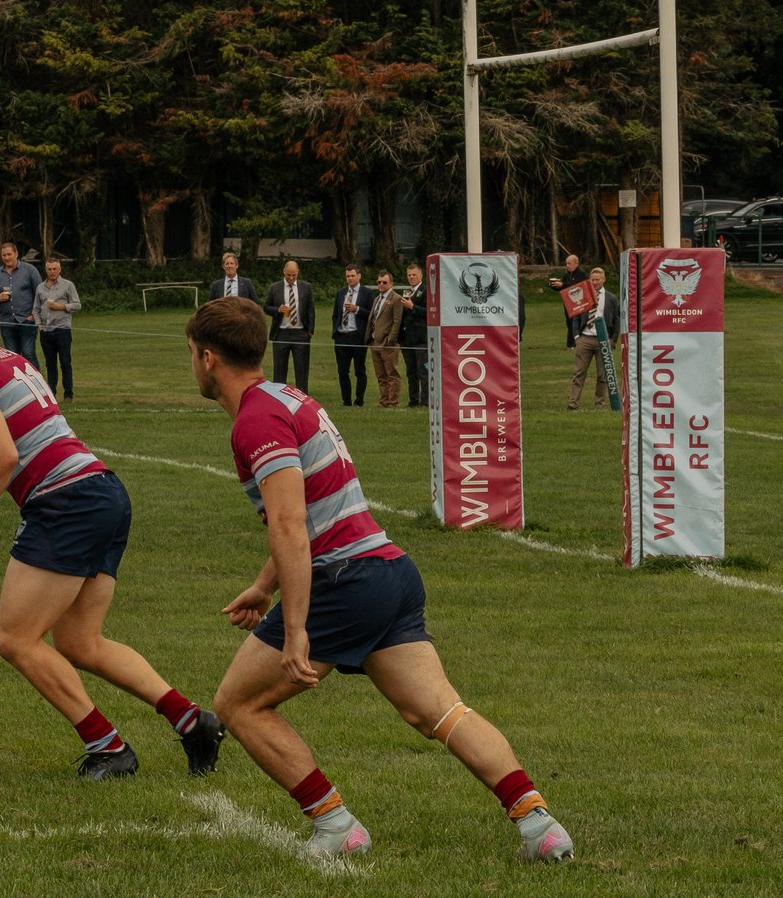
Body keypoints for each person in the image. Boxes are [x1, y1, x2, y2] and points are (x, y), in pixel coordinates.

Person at [186, 297, 574, 863]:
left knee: (238, 704)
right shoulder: (287, 399)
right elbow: (316, 509)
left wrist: (295, 629)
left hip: (344, 579)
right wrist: (264, 586)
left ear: (208, 357)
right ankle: (540, 826)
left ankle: (334, 824)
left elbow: (293, 526)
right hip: (388, 570)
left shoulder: (256, 419)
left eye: (191, 355)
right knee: (438, 710)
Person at [0, 277, 223, 778]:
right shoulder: (3, 358)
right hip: (101, 491)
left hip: (67, 501)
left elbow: (2, 456)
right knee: (80, 644)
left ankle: (110, 748)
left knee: (15, 639)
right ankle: (192, 721)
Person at [567, 267, 618, 411]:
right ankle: (573, 402)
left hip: (603, 340)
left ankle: (599, 404)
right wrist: (577, 336)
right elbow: (575, 316)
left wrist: (613, 339)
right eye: (593, 279)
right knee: (579, 373)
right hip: (585, 339)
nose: (595, 282)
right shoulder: (583, 295)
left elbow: (616, 319)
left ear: (603, 280)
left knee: (602, 375)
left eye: (597, 279)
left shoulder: (611, 298)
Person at [32, 256, 79, 400]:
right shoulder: (40, 287)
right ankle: (51, 393)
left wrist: (61, 306)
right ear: (46, 270)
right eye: (49, 269)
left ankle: (68, 394)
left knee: (65, 362)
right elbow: (36, 309)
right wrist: (39, 325)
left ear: (60, 269)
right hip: (46, 331)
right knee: (50, 364)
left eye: (55, 269)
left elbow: (77, 305)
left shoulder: (68, 285)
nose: (52, 272)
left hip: (62, 329)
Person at [267, 260, 314, 389]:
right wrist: (277, 309)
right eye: (289, 275)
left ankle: (302, 396)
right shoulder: (274, 287)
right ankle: (279, 397)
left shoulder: (306, 287)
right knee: (279, 369)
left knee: (302, 368)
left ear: (298, 272)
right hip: (281, 333)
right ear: (284, 272)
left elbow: (310, 309)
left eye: (294, 275)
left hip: (301, 333)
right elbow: (266, 307)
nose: (291, 278)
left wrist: (310, 330)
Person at [0, 242, 39, 358]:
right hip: (7, 322)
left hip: (26, 320)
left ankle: (34, 376)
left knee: (28, 354)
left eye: (9, 254)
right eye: (4, 255)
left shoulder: (30, 270)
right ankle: (16, 377)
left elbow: (40, 295)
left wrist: (34, 315)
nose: (6, 258)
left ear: (16, 254)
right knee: (12, 357)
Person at [330, 264, 372, 407]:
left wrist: (357, 309)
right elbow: (336, 314)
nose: (350, 278)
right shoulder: (341, 293)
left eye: (353, 276)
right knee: (342, 371)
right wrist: (335, 332)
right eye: (348, 276)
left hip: (357, 336)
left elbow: (371, 315)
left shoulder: (367, 293)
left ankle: (359, 400)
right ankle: (346, 401)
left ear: (359, 276)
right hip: (342, 336)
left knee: (359, 370)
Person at [367, 269, 404, 409]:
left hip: (388, 343)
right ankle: (384, 400)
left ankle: (393, 402)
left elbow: (397, 321)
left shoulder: (396, 298)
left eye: (384, 282)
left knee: (392, 374)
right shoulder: (377, 299)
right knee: (380, 375)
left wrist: (391, 340)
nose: (381, 284)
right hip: (375, 342)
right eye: (379, 282)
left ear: (391, 283)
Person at [400, 261, 431, 408]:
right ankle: (413, 401)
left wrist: (413, 307)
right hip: (407, 339)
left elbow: (429, 313)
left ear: (421, 276)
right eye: (409, 275)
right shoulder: (407, 292)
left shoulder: (426, 291)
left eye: (414, 275)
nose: (411, 277)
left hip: (421, 338)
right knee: (410, 371)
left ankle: (425, 401)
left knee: (422, 371)